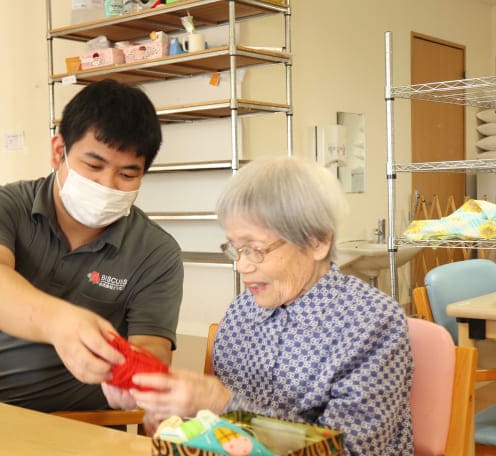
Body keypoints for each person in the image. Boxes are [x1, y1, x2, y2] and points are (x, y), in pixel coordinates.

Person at [129, 156, 413, 455]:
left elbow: (349, 451)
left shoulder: (373, 322)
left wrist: (218, 401)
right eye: (235, 249)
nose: (241, 266)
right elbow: (221, 432)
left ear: (317, 242)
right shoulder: (242, 312)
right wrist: (180, 416)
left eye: (255, 249)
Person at [0, 79, 184, 414]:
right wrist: (61, 324)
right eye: (94, 166)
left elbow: (151, 348)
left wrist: (135, 379)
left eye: (128, 175)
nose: (107, 185)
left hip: (87, 426)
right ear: (59, 151)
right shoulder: (1, 207)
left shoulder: (156, 251)